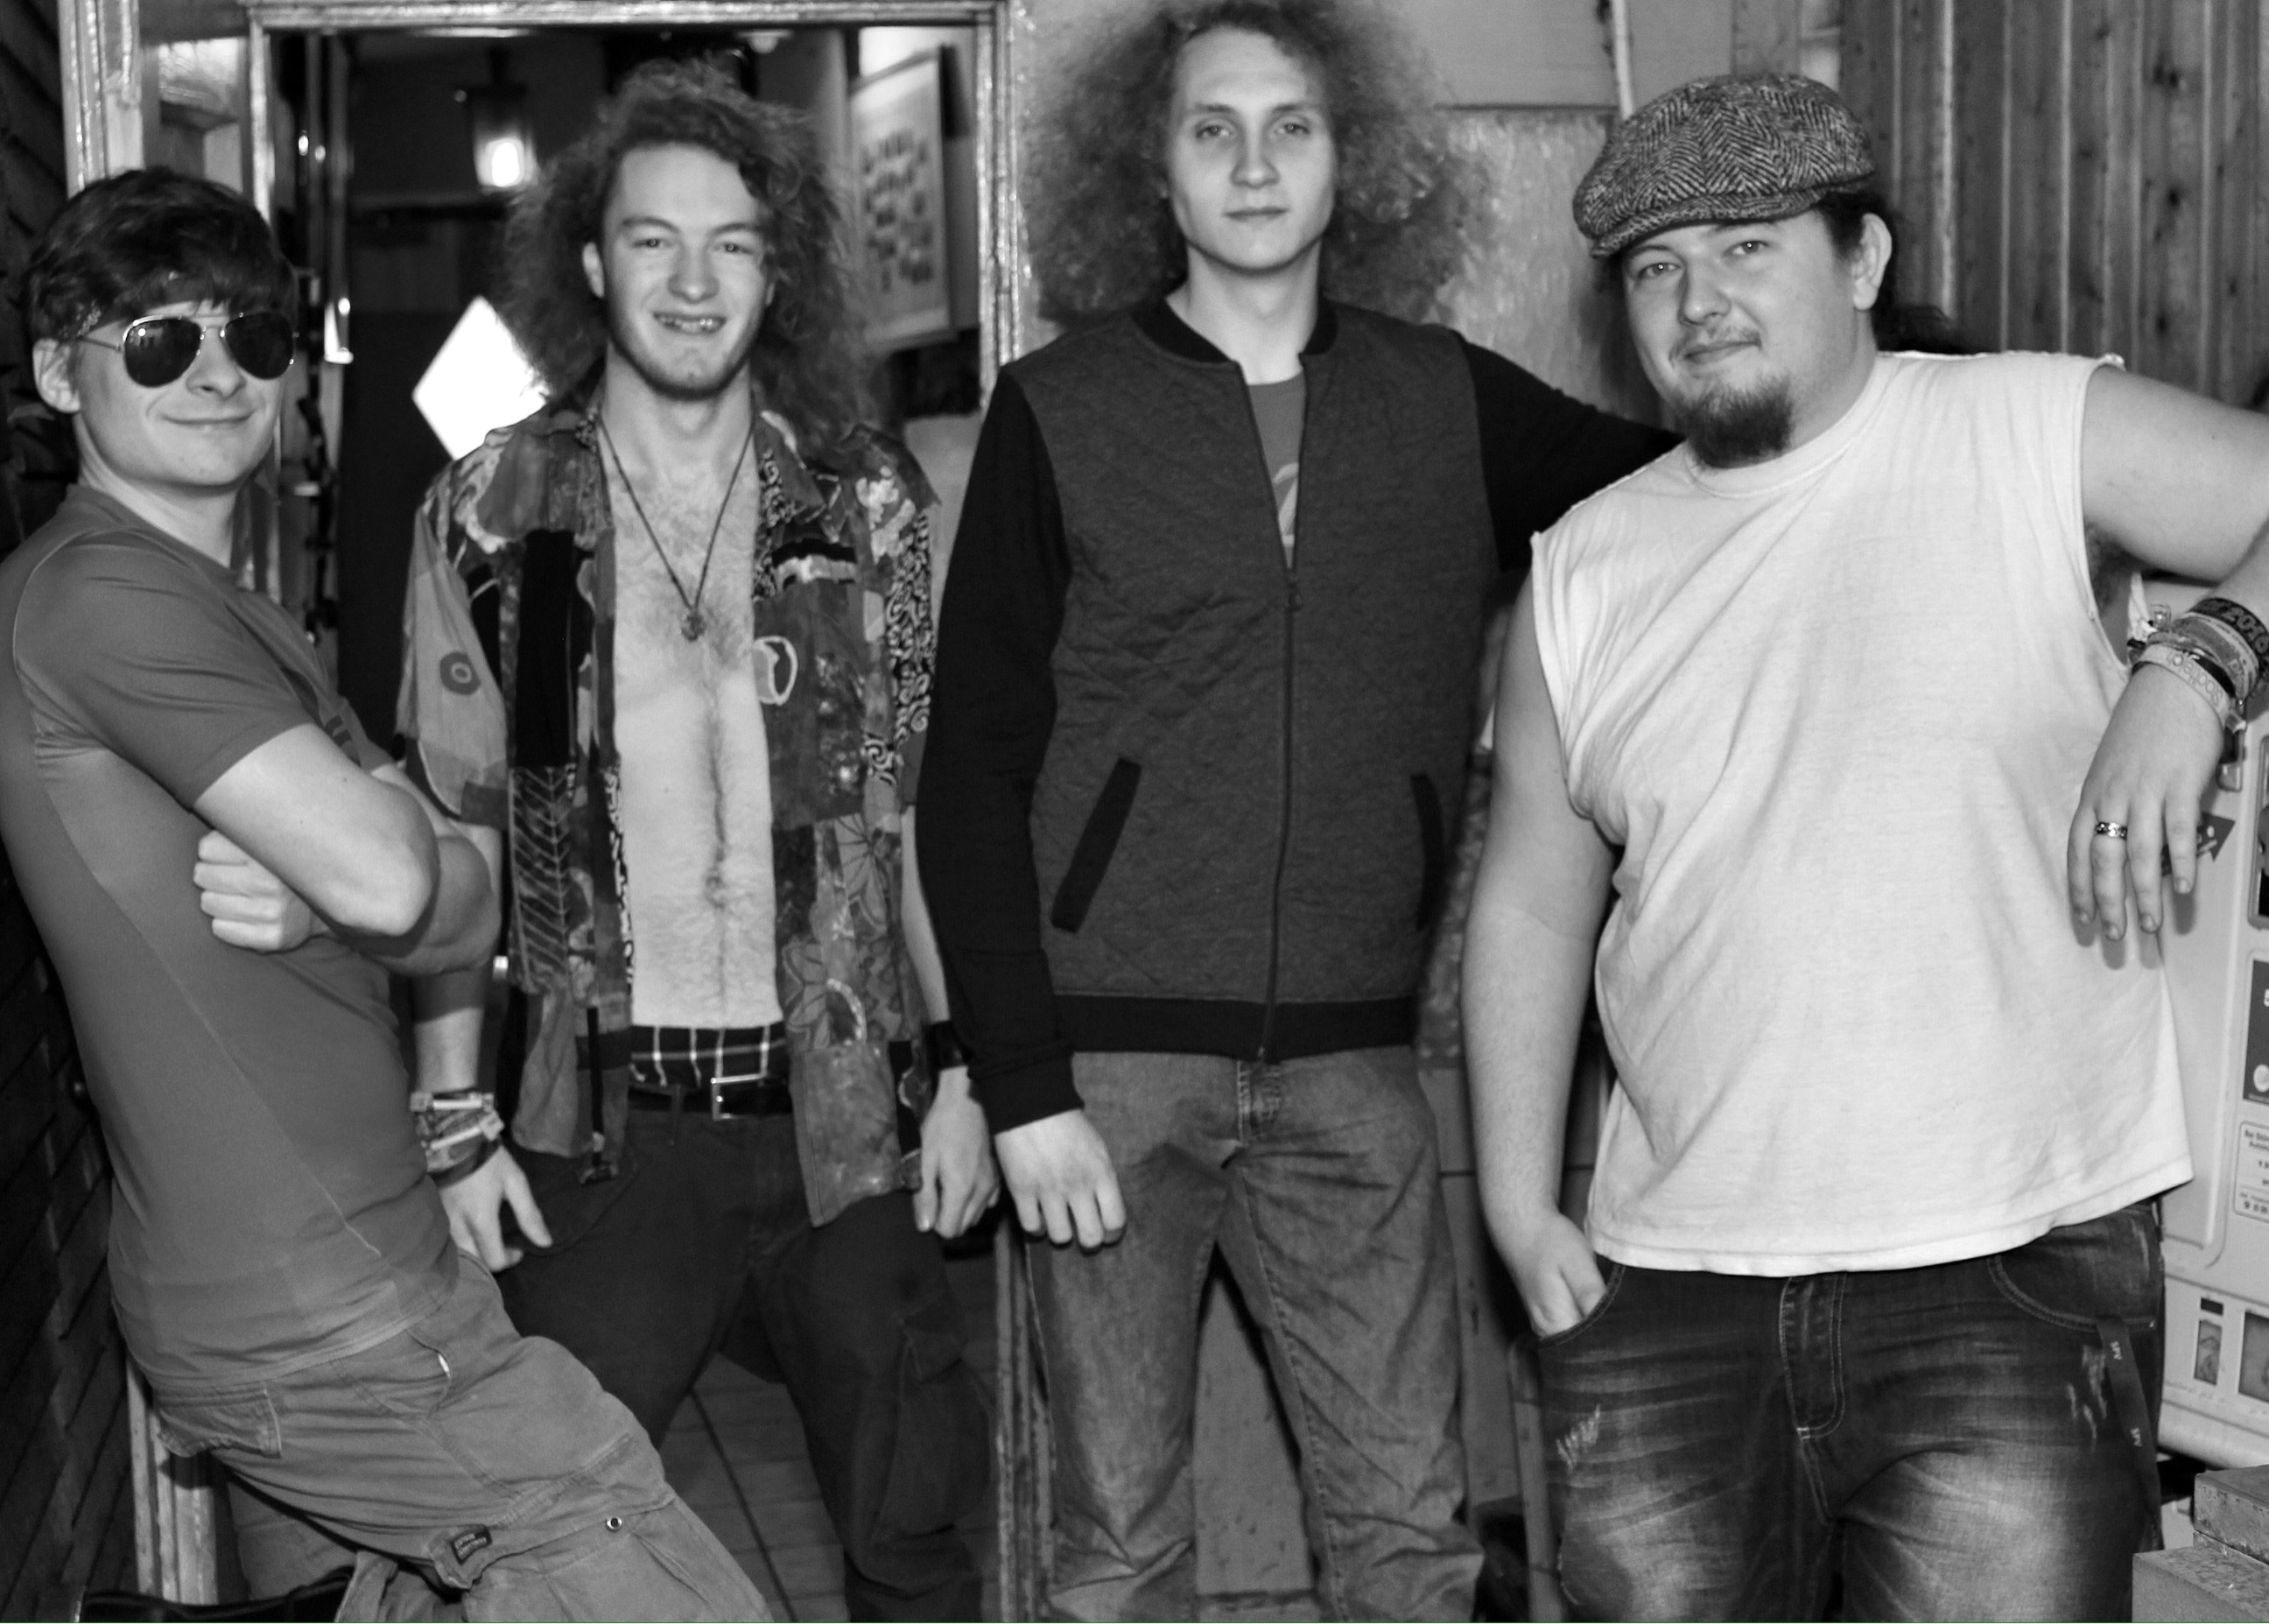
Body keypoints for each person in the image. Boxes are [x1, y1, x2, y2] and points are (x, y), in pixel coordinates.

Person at [1465, 71, 2269, 1620]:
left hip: (2008, 1275)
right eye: (1654, 267)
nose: (1696, 300)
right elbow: (1530, 908)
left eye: (1745, 246)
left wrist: (2196, 666)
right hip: (1668, 1295)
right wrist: (1514, 1204)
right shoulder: (1582, 568)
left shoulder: (2031, 427)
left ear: (1863, 259)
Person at [916, 2, 1670, 1615]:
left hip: (1353, 1068)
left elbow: (1693, 488)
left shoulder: (1447, 399)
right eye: (1213, 130)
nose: (1253, 165)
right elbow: (969, 771)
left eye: (1292, 128)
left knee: (1411, 1539)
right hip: (1106, 1078)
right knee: (1121, 1551)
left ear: (1351, 161)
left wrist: (1910, 398)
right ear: (1154, 169)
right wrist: (1017, 1081)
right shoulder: (1062, 408)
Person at [0, 168, 769, 1620]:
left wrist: (358, 888)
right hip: (320, 1315)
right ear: (58, 374)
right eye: (158, 342)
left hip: (357, 1271)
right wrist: (373, 870)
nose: (218, 376)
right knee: (646, 1561)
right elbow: (401, 869)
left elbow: (476, 900)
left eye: (253, 337)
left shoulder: (229, 607)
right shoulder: (102, 595)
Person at [397, 58, 993, 1620]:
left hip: (850, 1122)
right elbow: (458, 832)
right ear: (592, 262)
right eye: (652, 240)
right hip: (608, 1135)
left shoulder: (864, 505)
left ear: (775, 270)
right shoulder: (492, 510)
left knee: (914, 1544)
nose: (691, 280)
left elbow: (915, 804)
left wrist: (969, 1069)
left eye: (731, 244)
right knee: (559, 1559)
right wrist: (455, 1121)